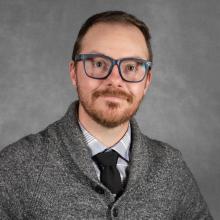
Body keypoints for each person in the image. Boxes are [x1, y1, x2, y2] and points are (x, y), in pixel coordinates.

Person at [0, 10, 213, 219]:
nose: (114, 80)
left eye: (131, 67)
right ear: (74, 73)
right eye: (99, 64)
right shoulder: (16, 166)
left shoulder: (171, 166)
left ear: (146, 82)